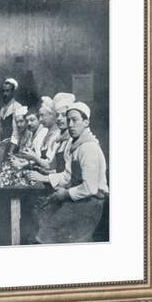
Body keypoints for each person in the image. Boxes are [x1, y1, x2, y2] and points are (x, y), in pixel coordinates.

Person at [28, 102, 109, 244]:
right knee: (42, 221)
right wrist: (51, 184)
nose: (70, 124)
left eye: (75, 120)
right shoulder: (74, 145)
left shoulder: (88, 147)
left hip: (91, 204)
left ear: (86, 122)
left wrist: (65, 194)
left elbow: (90, 188)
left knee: (47, 236)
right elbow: (67, 176)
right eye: (68, 120)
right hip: (79, 200)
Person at [20, 96, 60, 171]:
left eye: (42, 115)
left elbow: (51, 166)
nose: (40, 120)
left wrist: (33, 157)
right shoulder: (46, 134)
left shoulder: (58, 136)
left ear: (53, 115)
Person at [0, 77, 23, 142]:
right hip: (4, 143)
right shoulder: (2, 109)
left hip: (14, 144)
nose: (4, 94)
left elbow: (17, 131)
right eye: (3, 91)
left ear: (13, 92)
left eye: (7, 91)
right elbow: (0, 129)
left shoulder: (18, 107)